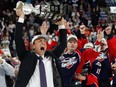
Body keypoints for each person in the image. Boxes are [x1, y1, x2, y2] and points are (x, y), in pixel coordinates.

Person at [14, 9, 67, 87]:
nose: (43, 42)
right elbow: (18, 38)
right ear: (33, 46)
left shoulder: (51, 56)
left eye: (44, 41)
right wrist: (21, 17)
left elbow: (63, 44)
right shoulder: (26, 57)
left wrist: (61, 25)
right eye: (39, 41)